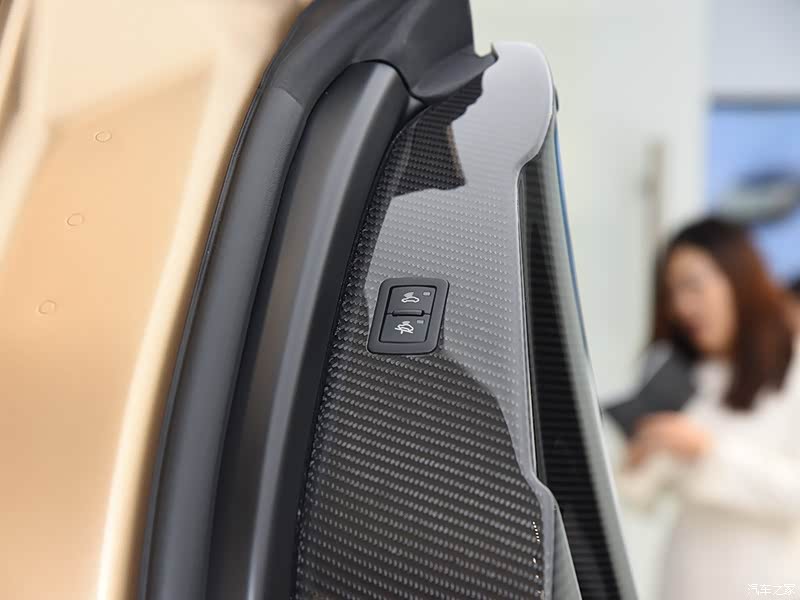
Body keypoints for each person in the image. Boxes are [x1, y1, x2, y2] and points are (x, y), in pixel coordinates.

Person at [618, 218, 800, 600]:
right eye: (671, 291)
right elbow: (637, 495)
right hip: (686, 579)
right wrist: (639, 457)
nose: (682, 305)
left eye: (692, 285)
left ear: (736, 277)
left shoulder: (792, 366)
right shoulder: (677, 370)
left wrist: (705, 450)